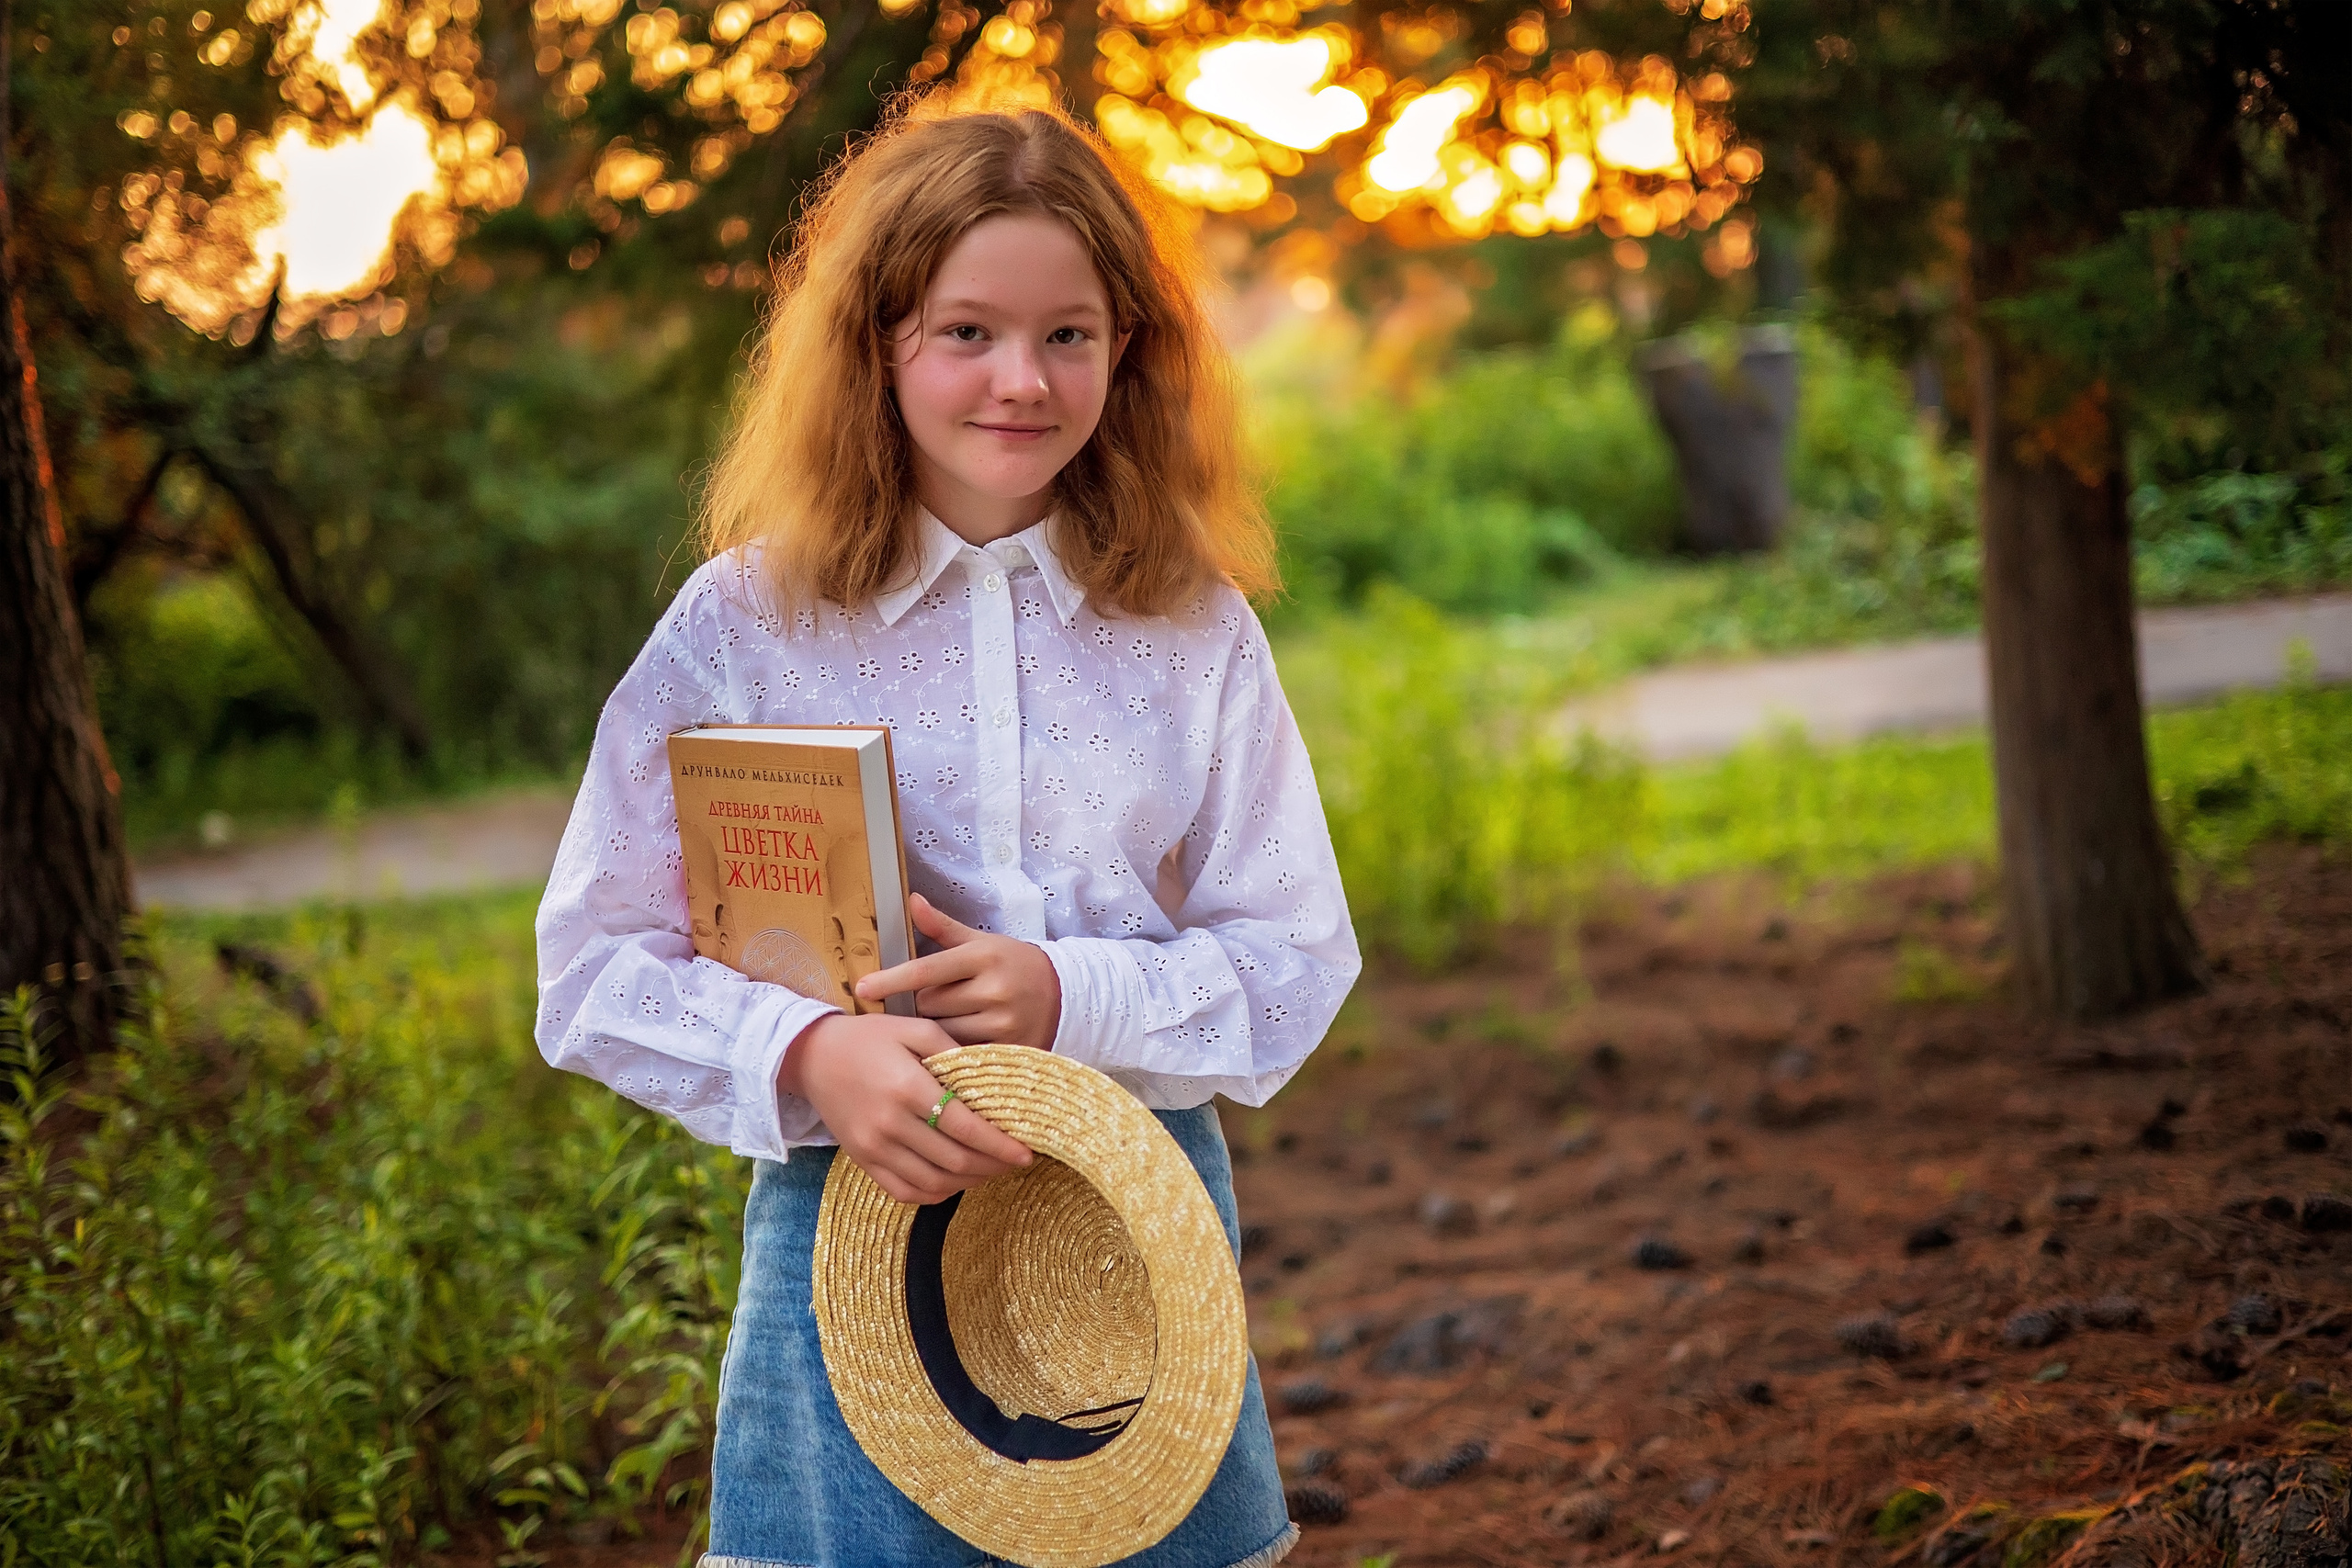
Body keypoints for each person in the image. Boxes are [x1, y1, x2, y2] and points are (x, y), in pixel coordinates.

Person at [534, 98, 1360, 1568]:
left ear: (1131, 350)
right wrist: (807, 1054)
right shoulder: (746, 622)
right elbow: (595, 963)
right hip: (850, 1201)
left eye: (1070, 335)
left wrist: (1069, 994)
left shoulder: (1187, 623)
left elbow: (1295, 953)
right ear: (876, 342)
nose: (1021, 382)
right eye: (965, 331)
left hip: (1129, 1217)